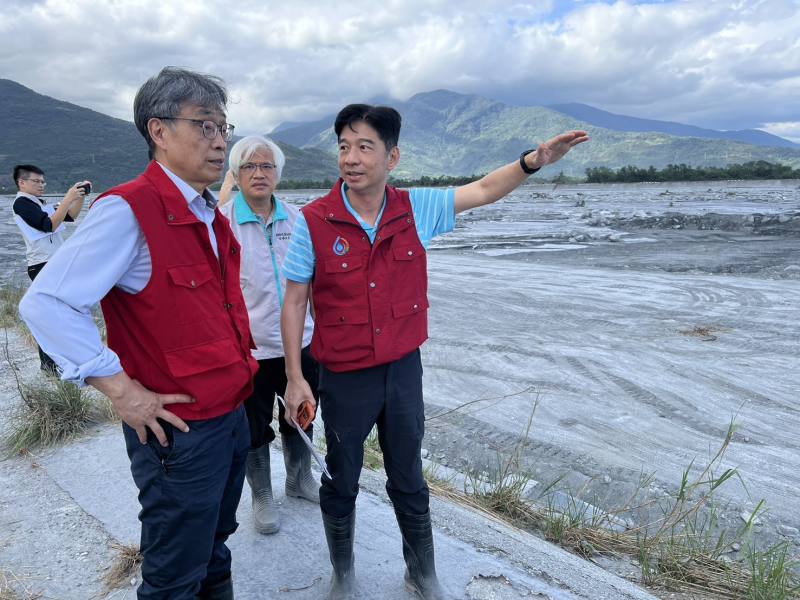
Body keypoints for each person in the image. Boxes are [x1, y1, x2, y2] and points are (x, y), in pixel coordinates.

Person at [280, 103, 588, 600]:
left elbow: (484, 190)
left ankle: (420, 574)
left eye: (364, 147)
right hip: (343, 375)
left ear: (392, 157)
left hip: (402, 371)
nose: (351, 158)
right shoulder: (312, 221)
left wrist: (532, 162)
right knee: (340, 480)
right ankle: (343, 575)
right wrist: (296, 376)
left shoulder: (414, 208)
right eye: (343, 147)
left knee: (408, 476)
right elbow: (295, 301)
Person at [20, 67, 257, 600]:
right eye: (204, 125)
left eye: (224, 126)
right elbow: (47, 303)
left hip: (229, 413)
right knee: (174, 572)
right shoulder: (128, 209)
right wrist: (123, 392)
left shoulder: (208, 213)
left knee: (215, 545)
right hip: (179, 431)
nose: (221, 141)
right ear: (159, 131)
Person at [217, 135, 319, 535]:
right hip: (250, 348)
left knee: (303, 413)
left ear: (278, 174)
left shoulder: (299, 219)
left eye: (267, 167)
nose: (259, 174)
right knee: (253, 425)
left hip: (302, 341)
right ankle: (261, 495)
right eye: (249, 167)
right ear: (236, 175)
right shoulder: (221, 223)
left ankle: (299, 479)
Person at [11, 164, 90, 371]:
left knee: (60, 313)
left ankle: (58, 362)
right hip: (41, 264)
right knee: (49, 316)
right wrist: (67, 197)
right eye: (36, 181)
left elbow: (70, 216)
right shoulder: (21, 204)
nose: (41, 185)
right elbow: (49, 225)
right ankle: (49, 365)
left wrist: (78, 195)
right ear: (22, 182)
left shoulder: (38, 203)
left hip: (54, 263)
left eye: (43, 181)